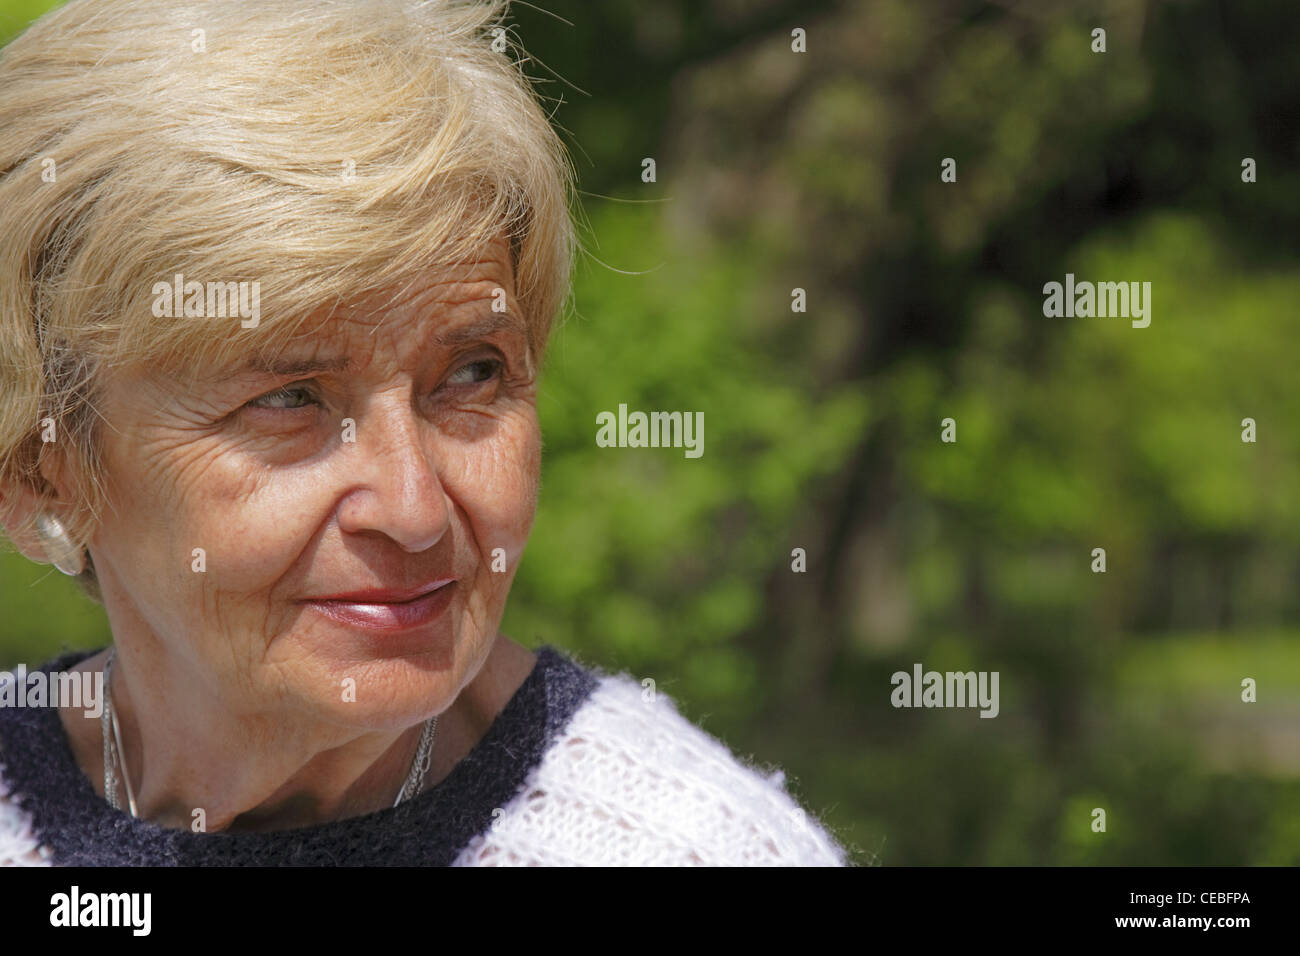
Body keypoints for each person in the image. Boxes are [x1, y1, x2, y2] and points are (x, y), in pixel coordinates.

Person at [0, 0, 848, 866]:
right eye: (289, 398)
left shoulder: (682, 848)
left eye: (474, 374)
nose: (414, 510)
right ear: (39, 468)